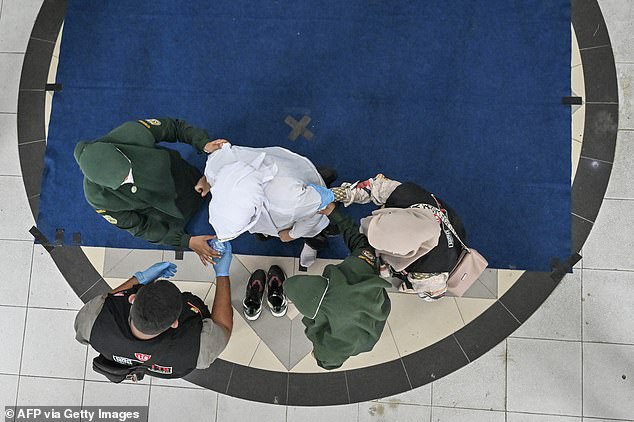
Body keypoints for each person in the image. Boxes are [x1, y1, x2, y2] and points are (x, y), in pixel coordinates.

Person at [194, 143, 336, 318]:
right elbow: (215, 159)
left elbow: (320, 209)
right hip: (275, 191)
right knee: (267, 230)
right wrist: (207, 180)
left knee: (314, 230)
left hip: (303, 193)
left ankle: (312, 242)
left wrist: (291, 235)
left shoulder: (290, 202)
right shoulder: (218, 166)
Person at [74, 117, 228, 265]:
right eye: (122, 182)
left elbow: (174, 127)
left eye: (127, 169)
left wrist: (203, 143)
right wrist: (186, 241)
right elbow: (140, 227)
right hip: (171, 213)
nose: (130, 178)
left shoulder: (131, 132)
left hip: (183, 176)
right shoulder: (97, 199)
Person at [73, 243, 233, 381]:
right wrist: (222, 273)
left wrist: (139, 279)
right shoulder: (198, 348)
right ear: (175, 323)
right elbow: (223, 327)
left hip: (156, 365)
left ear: (132, 299)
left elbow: (106, 301)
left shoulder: (91, 323)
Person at [282, 201, 391, 370]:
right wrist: (335, 214)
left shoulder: (366, 343)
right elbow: (291, 285)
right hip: (360, 284)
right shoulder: (354, 277)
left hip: (367, 296)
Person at [330, 174, 466, 301]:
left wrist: (387, 268)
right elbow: (371, 188)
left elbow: (425, 287)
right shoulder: (408, 195)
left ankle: (404, 278)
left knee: (427, 293)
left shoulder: (428, 277)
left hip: (440, 270)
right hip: (453, 233)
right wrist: (334, 194)